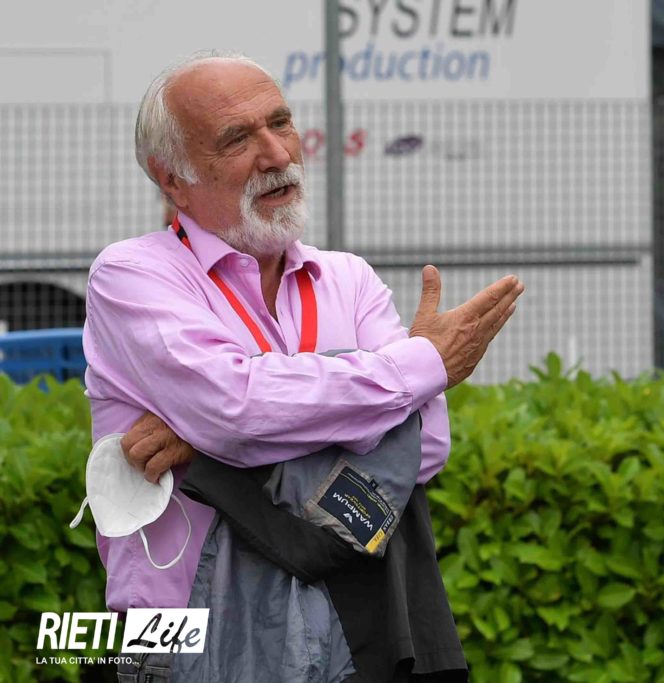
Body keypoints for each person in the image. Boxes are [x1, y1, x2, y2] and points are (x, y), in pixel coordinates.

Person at [83, 50, 523, 681]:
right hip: (173, 635)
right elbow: (237, 409)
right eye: (237, 138)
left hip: (344, 631)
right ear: (172, 178)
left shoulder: (350, 279)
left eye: (281, 122)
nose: (277, 154)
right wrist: (416, 368)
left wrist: (204, 444)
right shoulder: (132, 274)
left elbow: (426, 447)